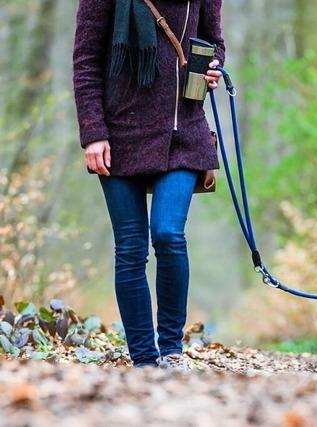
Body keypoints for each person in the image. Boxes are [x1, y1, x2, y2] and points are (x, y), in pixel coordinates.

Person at [72, 0, 226, 370]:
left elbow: (214, 42)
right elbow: (86, 61)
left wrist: (213, 68)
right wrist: (93, 133)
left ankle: (171, 350)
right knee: (130, 247)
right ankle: (144, 359)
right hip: (119, 134)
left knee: (169, 234)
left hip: (182, 133)